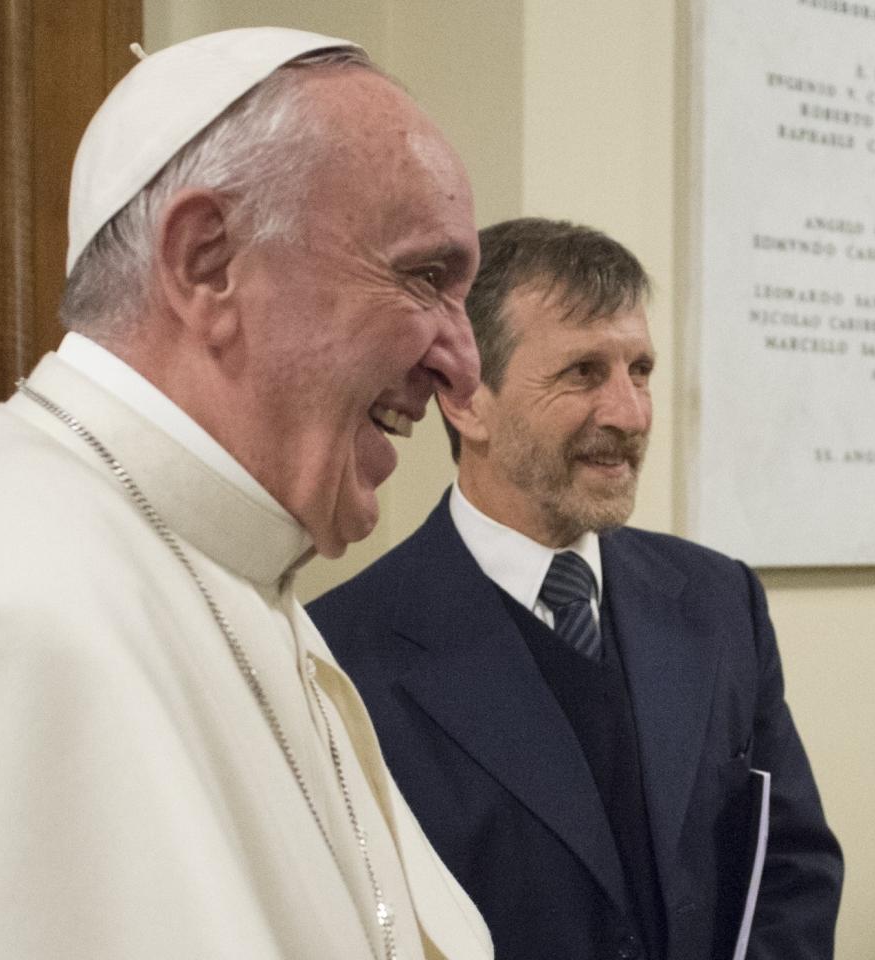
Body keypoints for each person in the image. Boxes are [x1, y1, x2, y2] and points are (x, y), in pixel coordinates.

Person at [0, 28, 494, 959]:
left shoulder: (235, 559)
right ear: (208, 259)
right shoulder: (19, 596)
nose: (464, 367)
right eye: (425, 276)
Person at [309, 217, 844, 960]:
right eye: (583, 372)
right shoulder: (339, 658)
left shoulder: (722, 603)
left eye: (641, 371)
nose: (629, 414)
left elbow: (790, 870)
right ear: (466, 400)